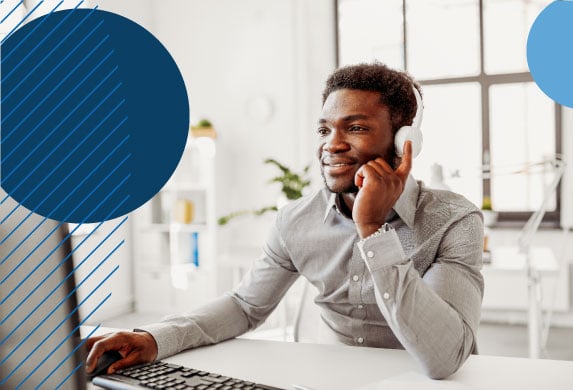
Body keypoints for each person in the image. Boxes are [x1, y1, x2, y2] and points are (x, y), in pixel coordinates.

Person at [86, 63, 484, 380]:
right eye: (325, 129)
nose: (332, 144)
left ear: (403, 142)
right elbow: (244, 306)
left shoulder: (453, 220)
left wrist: (373, 230)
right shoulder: (297, 219)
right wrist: (154, 338)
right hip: (332, 377)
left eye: (357, 128)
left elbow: (443, 359)